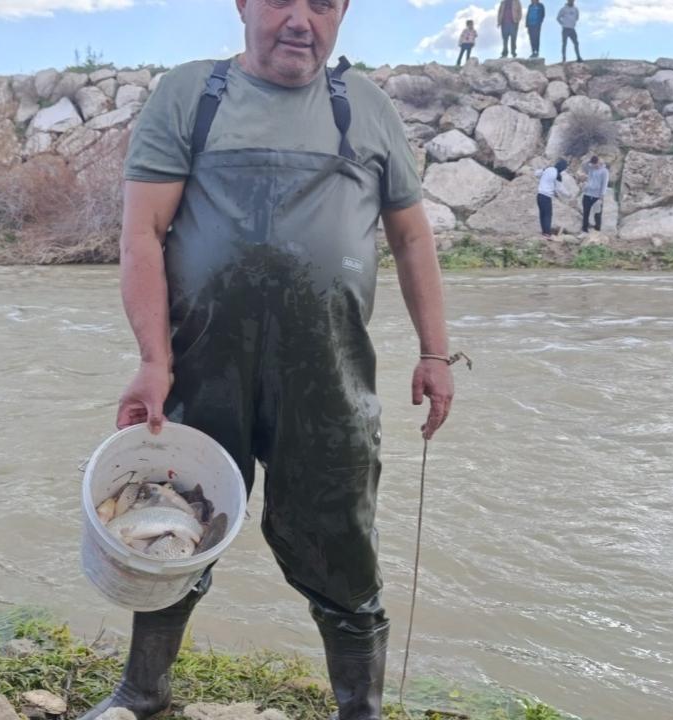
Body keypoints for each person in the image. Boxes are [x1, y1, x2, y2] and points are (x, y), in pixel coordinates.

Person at [97, 0, 455, 718]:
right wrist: (153, 361)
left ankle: (362, 710)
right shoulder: (193, 97)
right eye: (281, 1)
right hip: (202, 369)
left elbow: (413, 240)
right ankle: (142, 692)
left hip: (328, 380)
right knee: (170, 522)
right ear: (242, 5)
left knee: (342, 545)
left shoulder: (367, 107)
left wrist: (436, 353)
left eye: (322, 4)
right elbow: (144, 233)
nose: (301, 21)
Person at [534, 159, 570, 237]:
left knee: (542, 214)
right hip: (547, 197)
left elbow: (536, 174)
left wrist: (543, 170)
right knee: (548, 215)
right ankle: (547, 233)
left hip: (539, 195)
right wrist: (568, 195)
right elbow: (560, 189)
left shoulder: (548, 169)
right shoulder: (557, 174)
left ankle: (544, 232)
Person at [581, 155, 608, 233]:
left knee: (597, 213)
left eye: (595, 164)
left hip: (597, 196)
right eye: (593, 164)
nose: (594, 165)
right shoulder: (590, 168)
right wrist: (588, 160)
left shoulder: (604, 171)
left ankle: (597, 230)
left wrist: (601, 195)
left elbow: (604, 184)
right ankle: (584, 230)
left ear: (598, 162)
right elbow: (583, 166)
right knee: (586, 212)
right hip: (587, 193)